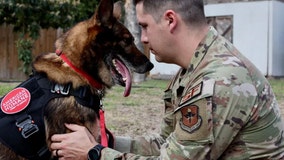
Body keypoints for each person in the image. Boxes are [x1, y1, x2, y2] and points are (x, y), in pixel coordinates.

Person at [50, 0, 284, 159]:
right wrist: (105, 141)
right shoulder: (193, 68)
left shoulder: (220, 81)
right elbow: (164, 142)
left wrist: (94, 153)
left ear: (170, 20)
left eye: (144, 27)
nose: (143, 39)